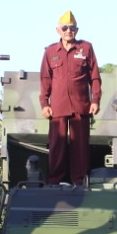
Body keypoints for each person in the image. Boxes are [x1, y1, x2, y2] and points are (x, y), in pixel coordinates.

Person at [39, 10, 101, 185]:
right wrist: (44, 103)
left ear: (77, 30)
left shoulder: (86, 48)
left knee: (80, 146)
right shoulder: (51, 51)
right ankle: (55, 181)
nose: (68, 31)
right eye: (65, 27)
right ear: (58, 30)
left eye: (72, 28)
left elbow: (94, 77)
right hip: (57, 106)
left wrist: (95, 99)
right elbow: (45, 78)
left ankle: (79, 181)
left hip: (80, 105)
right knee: (57, 145)